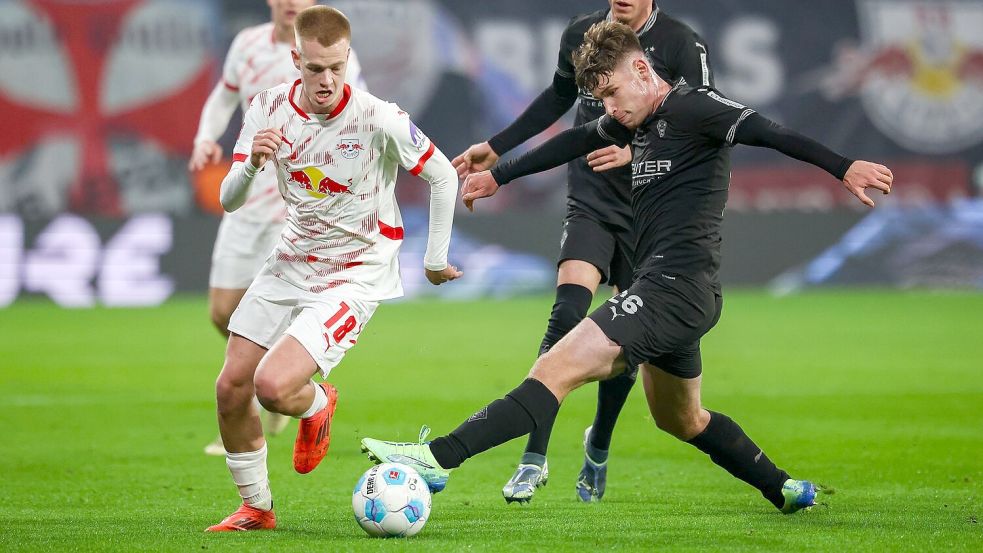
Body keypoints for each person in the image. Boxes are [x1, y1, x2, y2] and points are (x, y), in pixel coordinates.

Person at [361, 20, 893, 514]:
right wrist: (500, 174)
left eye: (612, 93)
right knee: (682, 419)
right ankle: (783, 488)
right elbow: (572, 139)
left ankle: (435, 460)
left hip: (674, 290)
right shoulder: (634, 119)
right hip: (674, 292)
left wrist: (844, 167)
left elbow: (773, 133)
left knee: (552, 369)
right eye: (600, 100)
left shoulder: (695, 109)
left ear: (642, 69)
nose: (609, 109)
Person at [205, 6, 461, 532]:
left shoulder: (377, 116)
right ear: (295, 58)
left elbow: (442, 175)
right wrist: (252, 162)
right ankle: (257, 508)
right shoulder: (267, 108)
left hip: (356, 271)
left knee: (273, 387)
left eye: (336, 68)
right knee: (231, 387)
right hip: (292, 258)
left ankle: (317, 401)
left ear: (348, 59)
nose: (326, 80)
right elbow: (230, 201)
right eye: (315, 68)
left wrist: (434, 259)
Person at [453, 0, 714, 504]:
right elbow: (557, 97)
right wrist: (498, 145)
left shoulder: (683, 43)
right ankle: (535, 455)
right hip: (591, 199)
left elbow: (700, 129)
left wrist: (637, 151)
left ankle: (599, 442)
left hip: (647, 204)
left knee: (627, 339)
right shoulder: (581, 32)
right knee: (567, 313)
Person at [189, 0, 368, 456]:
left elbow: (359, 121)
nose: (292, 3)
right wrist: (205, 137)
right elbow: (224, 95)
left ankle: (270, 396)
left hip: (300, 209)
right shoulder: (247, 45)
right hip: (249, 197)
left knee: (270, 315)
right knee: (222, 311)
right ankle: (277, 383)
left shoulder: (330, 57)